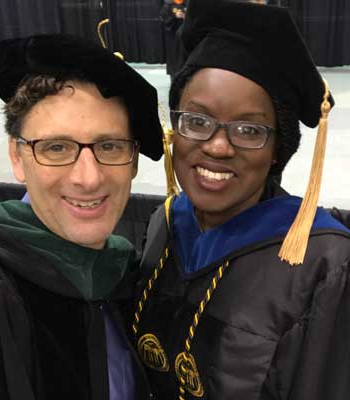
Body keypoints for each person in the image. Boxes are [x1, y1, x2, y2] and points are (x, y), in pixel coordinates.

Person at [132, 1, 350, 399]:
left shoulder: (322, 268)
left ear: (277, 151)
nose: (217, 146)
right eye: (196, 121)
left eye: (248, 129)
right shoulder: (163, 224)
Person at [0, 34, 163, 400]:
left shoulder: (126, 272)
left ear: (133, 159)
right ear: (17, 157)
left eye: (109, 146)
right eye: (56, 147)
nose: (88, 177)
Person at [160, 0, 188, 79]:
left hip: (184, 37)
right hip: (172, 38)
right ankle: (174, 78)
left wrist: (185, 17)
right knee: (174, 58)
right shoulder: (168, 5)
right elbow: (163, 20)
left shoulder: (187, 4)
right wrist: (174, 17)